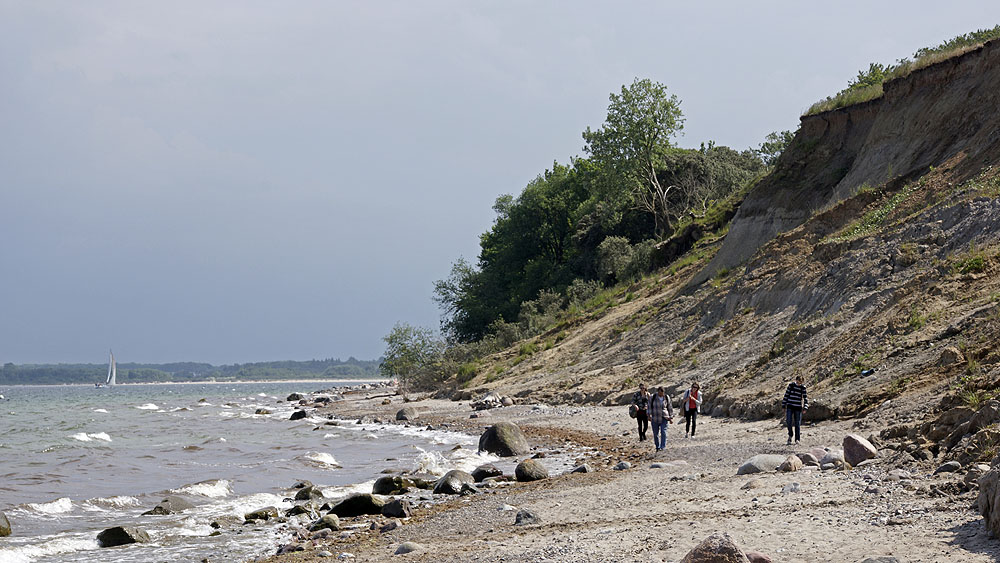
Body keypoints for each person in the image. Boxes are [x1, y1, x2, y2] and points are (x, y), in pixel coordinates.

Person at [782, 375, 809, 445]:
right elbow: (786, 395)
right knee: (788, 421)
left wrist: (805, 407)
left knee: (797, 424)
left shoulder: (803, 388)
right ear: (796, 380)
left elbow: (805, 398)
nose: (799, 384)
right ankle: (790, 435)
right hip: (790, 406)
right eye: (798, 382)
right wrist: (783, 405)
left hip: (798, 407)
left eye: (801, 382)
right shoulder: (791, 385)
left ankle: (797, 439)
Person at [648, 387, 674, 451]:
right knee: (655, 433)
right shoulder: (653, 397)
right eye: (659, 393)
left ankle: (663, 446)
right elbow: (649, 407)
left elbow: (669, 407)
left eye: (662, 393)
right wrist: (648, 415)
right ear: (657, 392)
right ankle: (657, 446)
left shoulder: (666, 397)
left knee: (663, 432)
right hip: (655, 417)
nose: (661, 394)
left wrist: (671, 416)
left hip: (664, 417)